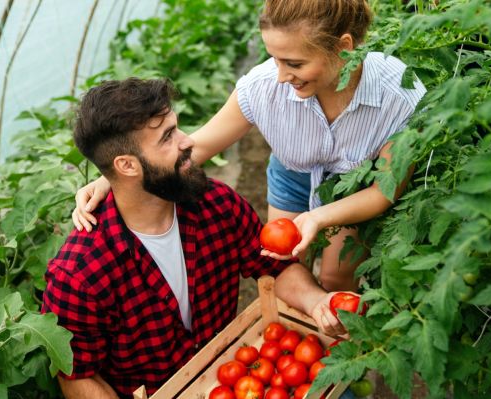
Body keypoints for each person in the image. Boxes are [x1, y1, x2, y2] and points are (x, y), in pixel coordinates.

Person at [71, 0, 426, 293]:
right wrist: (114, 179)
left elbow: (384, 190)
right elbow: (200, 144)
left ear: (343, 48)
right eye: (274, 58)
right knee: (284, 267)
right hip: (294, 172)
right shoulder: (263, 86)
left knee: (335, 279)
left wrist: (319, 216)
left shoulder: (399, 95)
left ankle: (341, 361)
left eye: (295, 63)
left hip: (355, 188)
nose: (283, 76)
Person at [42, 77, 349, 399]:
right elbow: (78, 375)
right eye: (167, 138)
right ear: (127, 166)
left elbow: (274, 267)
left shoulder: (215, 204)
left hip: (228, 379)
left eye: (177, 128)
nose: (187, 141)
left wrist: (317, 302)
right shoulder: (79, 275)